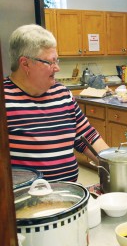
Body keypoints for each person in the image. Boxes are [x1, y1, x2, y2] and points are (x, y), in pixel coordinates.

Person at [4, 24, 109, 182]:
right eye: (50, 62)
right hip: (26, 202)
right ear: (25, 64)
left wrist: (118, 166)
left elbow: (88, 137)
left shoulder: (62, 94)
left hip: (68, 195)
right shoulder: (4, 99)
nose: (57, 68)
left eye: (57, 60)